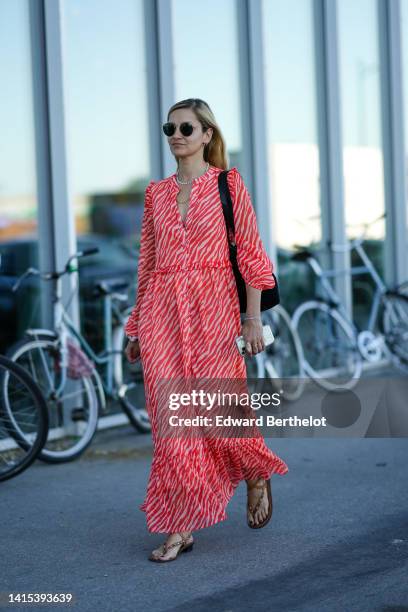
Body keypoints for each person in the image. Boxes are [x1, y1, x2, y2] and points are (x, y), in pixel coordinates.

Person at [124, 98, 289, 562]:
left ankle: (255, 472)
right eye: (170, 128)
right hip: (162, 311)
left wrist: (251, 317)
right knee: (170, 419)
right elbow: (147, 264)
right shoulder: (155, 194)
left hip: (214, 305)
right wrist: (136, 327)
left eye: (187, 128)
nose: (176, 135)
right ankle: (180, 525)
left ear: (207, 135)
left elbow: (252, 255)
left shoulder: (227, 185)